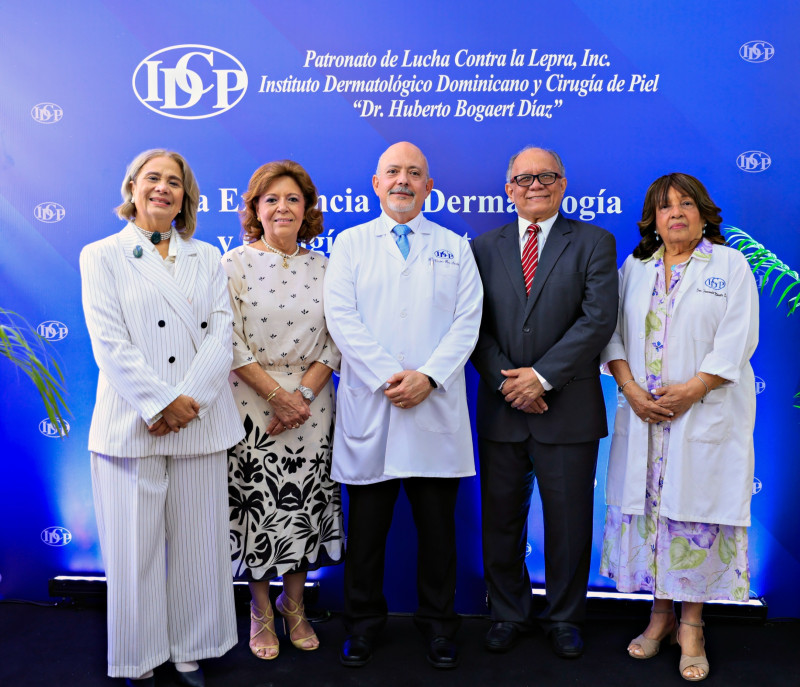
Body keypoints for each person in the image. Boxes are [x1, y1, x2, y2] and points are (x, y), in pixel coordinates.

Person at [80, 149, 244, 687]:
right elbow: (110, 342)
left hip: (198, 422)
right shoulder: (100, 254)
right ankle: (139, 656)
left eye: (175, 183)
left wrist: (186, 403)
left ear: (186, 197)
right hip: (133, 422)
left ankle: (191, 649)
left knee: (199, 547)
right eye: (153, 179)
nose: (163, 189)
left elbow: (223, 337)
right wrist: (159, 404)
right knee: (134, 551)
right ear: (132, 187)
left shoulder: (208, 256)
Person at [323, 141, 483, 670]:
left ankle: (439, 627)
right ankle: (363, 625)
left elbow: (467, 323)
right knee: (366, 536)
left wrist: (428, 378)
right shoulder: (349, 244)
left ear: (428, 187)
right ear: (376, 183)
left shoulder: (455, 247)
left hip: (432, 410)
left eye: (414, 173)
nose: (403, 181)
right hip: (374, 405)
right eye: (393, 171)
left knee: (439, 535)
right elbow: (341, 319)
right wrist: (389, 378)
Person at [599, 173, 758, 681]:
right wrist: (629, 389)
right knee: (654, 514)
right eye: (665, 207)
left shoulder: (729, 265)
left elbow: (738, 338)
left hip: (703, 413)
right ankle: (659, 615)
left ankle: (692, 625)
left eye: (686, 204)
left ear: (704, 212)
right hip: (645, 416)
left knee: (693, 518)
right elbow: (613, 336)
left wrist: (693, 389)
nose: (676, 214)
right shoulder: (636, 267)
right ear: (653, 219)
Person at [470, 146, 618, 659]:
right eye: (524, 177)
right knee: (501, 520)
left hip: (568, 407)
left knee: (570, 521)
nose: (535, 184)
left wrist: (542, 378)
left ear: (563, 183)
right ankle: (508, 612)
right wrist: (510, 383)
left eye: (547, 176)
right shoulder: (482, 247)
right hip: (502, 406)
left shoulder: (595, 242)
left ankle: (564, 616)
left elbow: (598, 320)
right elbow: (474, 327)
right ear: (508, 187)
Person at [222, 160, 344, 660]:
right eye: (271, 199)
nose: (282, 208)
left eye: (293, 199)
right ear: (254, 208)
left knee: (301, 509)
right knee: (259, 510)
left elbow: (339, 337)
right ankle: (260, 611)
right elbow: (225, 340)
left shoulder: (327, 267)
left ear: (307, 209)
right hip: (252, 404)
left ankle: (295, 607)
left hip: (313, 406)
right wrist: (277, 397)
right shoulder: (232, 265)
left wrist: (304, 398)